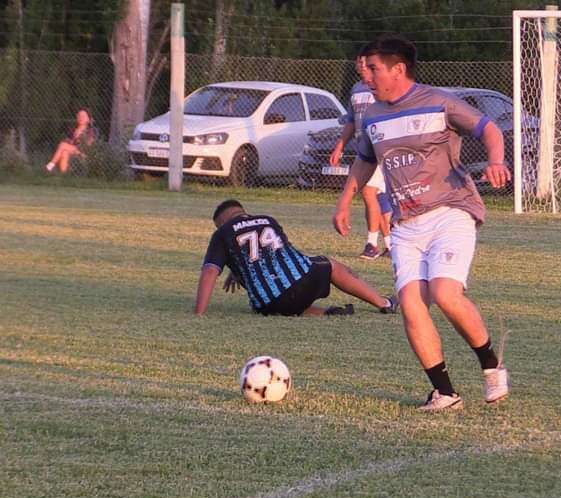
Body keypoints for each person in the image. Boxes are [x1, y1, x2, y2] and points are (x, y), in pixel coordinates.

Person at [333, 35, 512, 412]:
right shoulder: (374, 115)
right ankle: (445, 392)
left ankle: (491, 365)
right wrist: (345, 201)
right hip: (405, 225)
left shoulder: (438, 102)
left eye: (373, 68)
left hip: (451, 210)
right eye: (364, 68)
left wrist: (497, 160)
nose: (367, 75)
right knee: (412, 307)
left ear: (398, 69)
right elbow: (365, 160)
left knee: (446, 294)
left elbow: (489, 129)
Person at [195, 199, 399, 317]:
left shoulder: (222, 233)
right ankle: (384, 303)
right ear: (242, 212)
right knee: (331, 265)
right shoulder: (267, 219)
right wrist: (236, 268)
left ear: (221, 222)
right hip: (304, 283)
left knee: (273, 294)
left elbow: (210, 271)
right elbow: (274, 253)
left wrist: (199, 313)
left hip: (270, 305)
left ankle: (326, 313)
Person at [330, 51, 392, 260]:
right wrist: (340, 145)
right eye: (359, 60)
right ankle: (390, 245)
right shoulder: (357, 88)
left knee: (368, 193)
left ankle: (372, 244)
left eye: (365, 61)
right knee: (378, 199)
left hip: (380, 148)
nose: (360, 64)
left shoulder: (384, 86)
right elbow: (350, 120)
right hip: (363, 150)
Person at [45, 108, 97, 174]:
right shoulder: (73, 130)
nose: (81, 118)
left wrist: (77, 142)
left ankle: (50, 165)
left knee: (63, 145)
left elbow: (88, 145)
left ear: (88, 119)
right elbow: (68, 141)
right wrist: (71, 142)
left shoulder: (90, 131)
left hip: (83, 153)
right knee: (64, 152)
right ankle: (64, 174)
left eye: (83, 116)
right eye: (79, 116)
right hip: (73, 151)